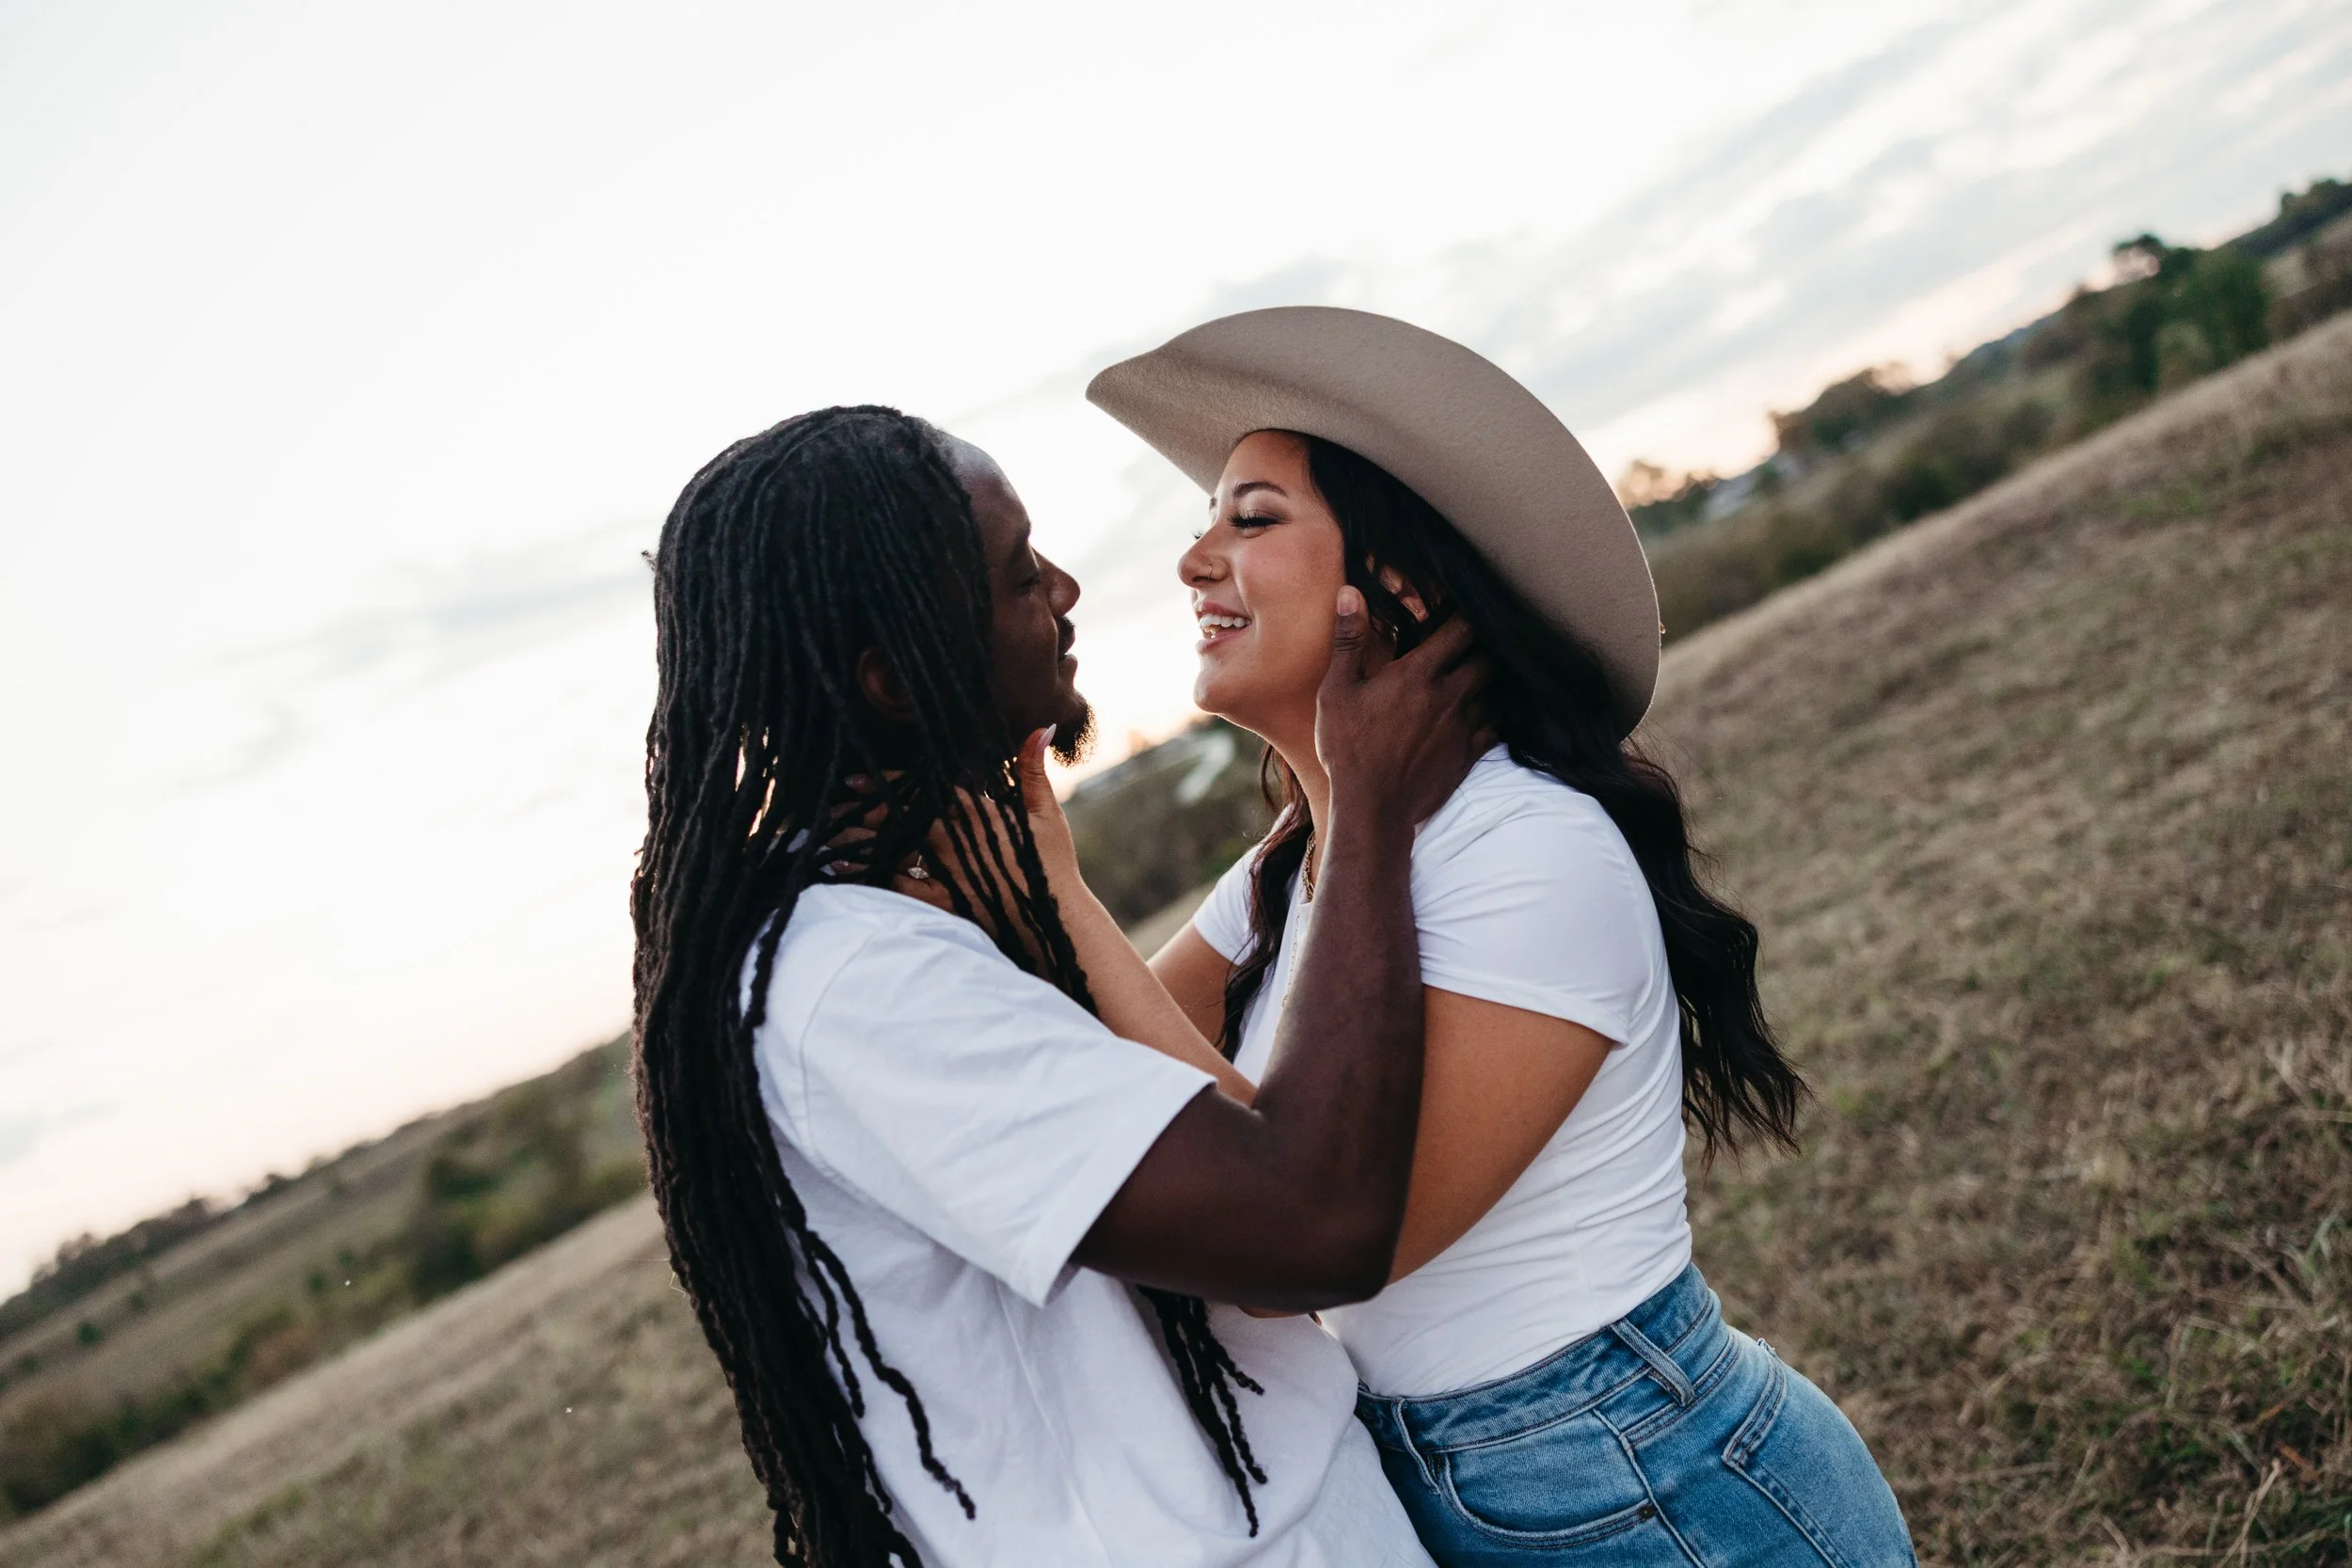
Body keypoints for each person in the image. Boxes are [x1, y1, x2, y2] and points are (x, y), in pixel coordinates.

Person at [1011, 308, 1918, 1565]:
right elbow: (1104, 1066)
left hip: (1646, 1479)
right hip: (1462, 1476)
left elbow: (1307, 1237)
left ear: (1400, 587)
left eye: (1251, 519)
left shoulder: (1525, 848)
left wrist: (1058, 875)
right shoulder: (1292, 872)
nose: (1192, 559)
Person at [628, 404, 1491, 1568]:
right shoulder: (859, 979)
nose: (1066, 589)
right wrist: (1369, 800)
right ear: (894, 678)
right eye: (1018, 573)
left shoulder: (925, 900)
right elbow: (1311, 1223)